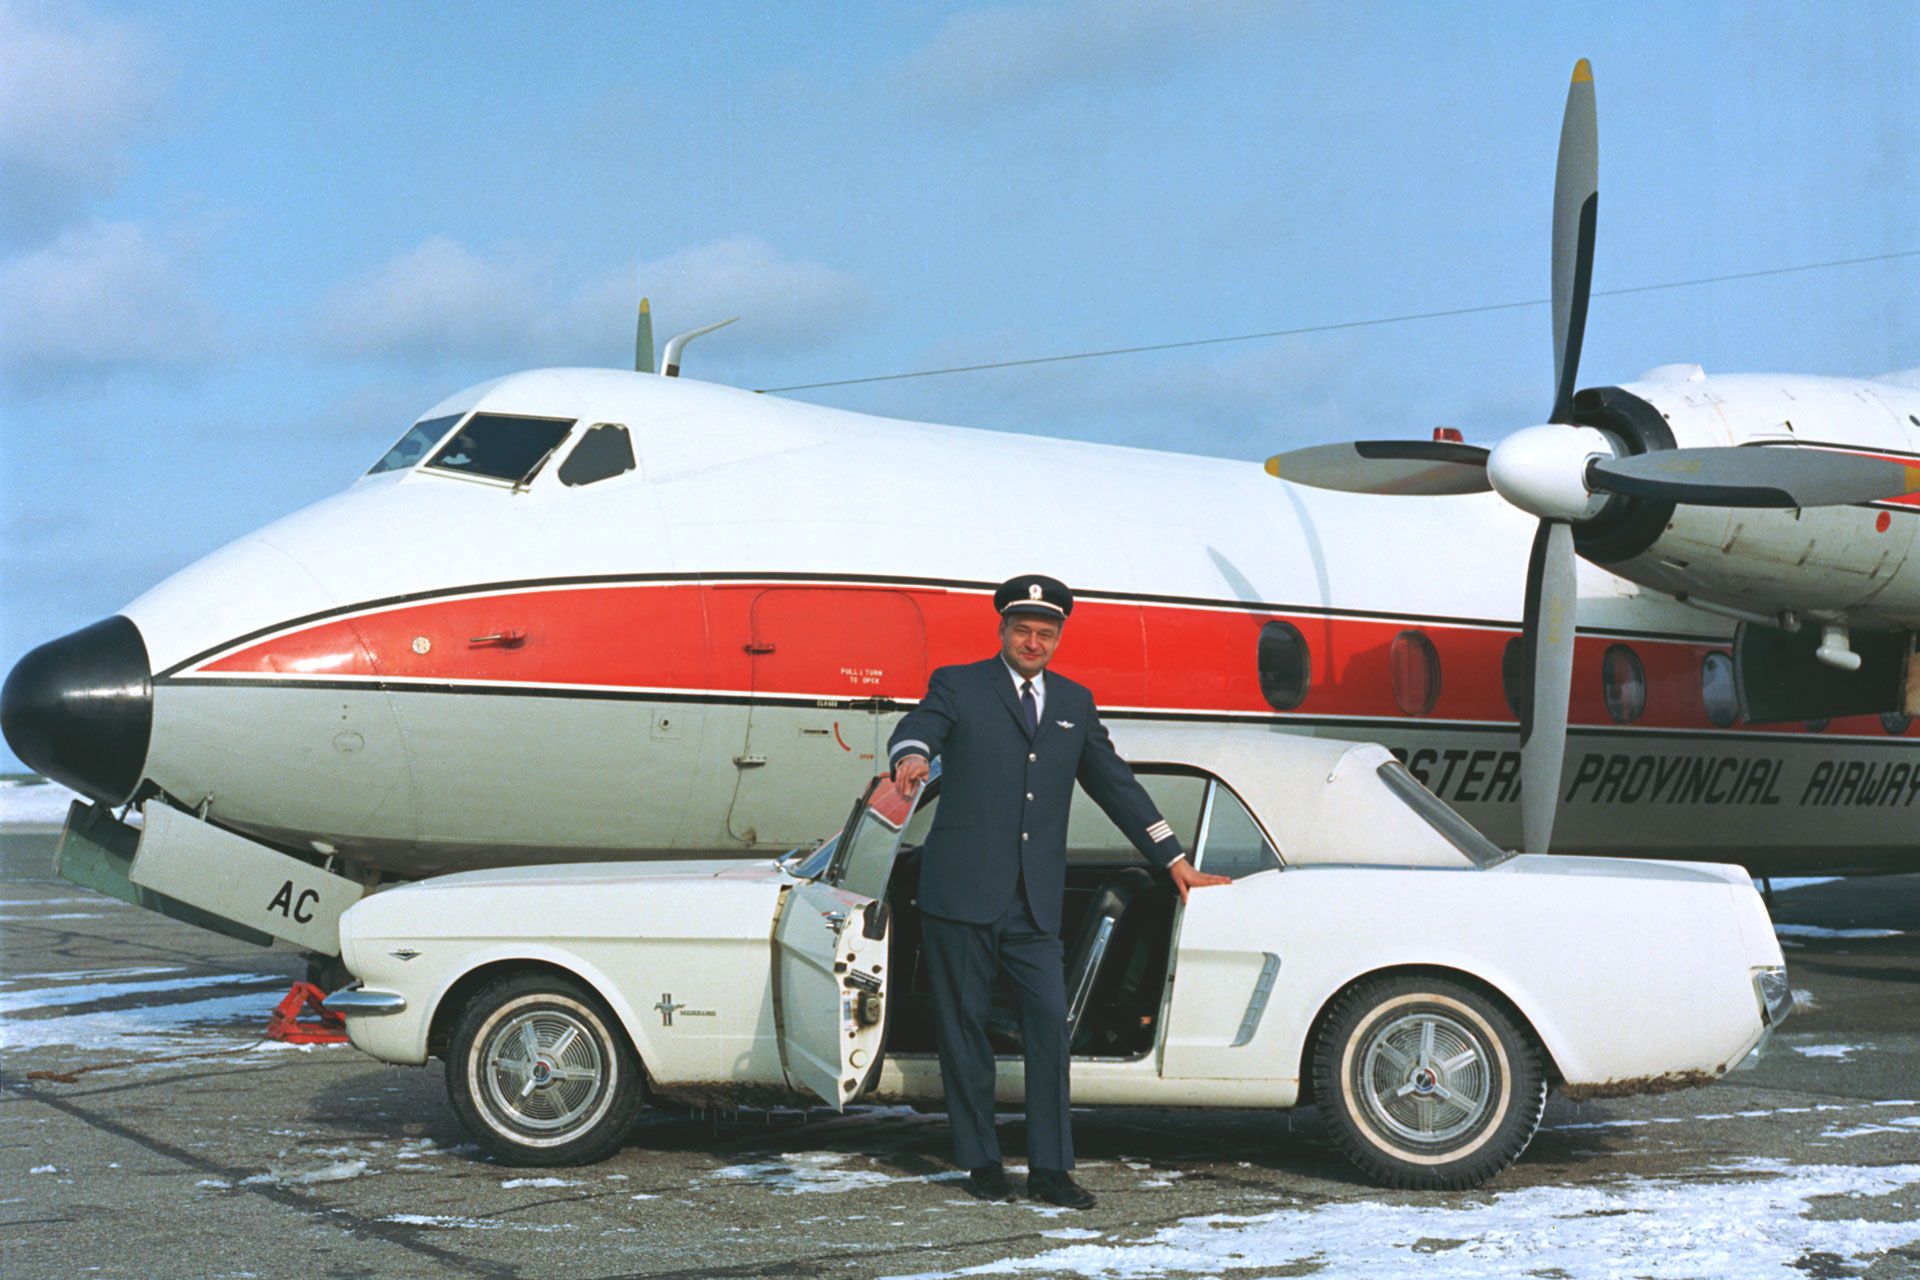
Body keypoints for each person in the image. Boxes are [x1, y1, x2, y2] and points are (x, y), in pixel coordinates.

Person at [887, 573, 1230, 1209]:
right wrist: (910, 757)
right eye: (1024, 630)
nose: (1034, 641)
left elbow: (1116, 784)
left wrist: (1173, 858)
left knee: (1049, 1025)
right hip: (959, 892)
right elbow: (918, 728)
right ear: (1004, 630)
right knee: (963, 1031)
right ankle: (981, 1161)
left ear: (1058, 637)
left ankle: (1051, 1170)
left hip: (1033, 901)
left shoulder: (1074, 700)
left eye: (1046, 633)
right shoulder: (959, 684)